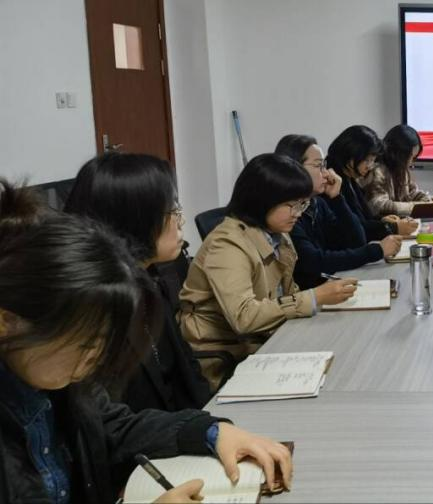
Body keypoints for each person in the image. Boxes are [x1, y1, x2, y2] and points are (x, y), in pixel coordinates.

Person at [0, 180, 292, 503]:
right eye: (85, 343)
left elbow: (116, 426)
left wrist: (213, 432)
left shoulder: (57, 382)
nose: (96, 358)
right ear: (7, 322)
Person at [179, 154, 358, 386]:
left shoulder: (277, 234)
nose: (298, 213)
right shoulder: (227, 244)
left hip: (261, 340)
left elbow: (288, 292)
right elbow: (244, 318)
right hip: (225, 355)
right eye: (291, 205)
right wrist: (314, 297)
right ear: (261, 200)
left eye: (302, 204)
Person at [63, 153, 211, 413]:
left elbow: (187, 368)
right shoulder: (96, 310)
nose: (181, 221)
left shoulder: (149, 279)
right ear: (135, 219)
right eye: (172, 211)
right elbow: (113, 420)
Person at [274, 134, 402, 289]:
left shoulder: (316, 203)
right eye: (318, 166)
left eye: (324, 165)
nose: (326, 173)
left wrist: (337, 198)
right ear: (293, 167)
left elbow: (356, 241)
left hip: (326, 287)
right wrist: (377, 250)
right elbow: (315, 261)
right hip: (309, 295)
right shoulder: (286, 213)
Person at [326, 125, 419, 237]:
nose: (370, 166)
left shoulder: (350, 178)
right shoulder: (333, 182)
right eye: (367, 160)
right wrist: (393, 228)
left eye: (372, 161)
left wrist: (382, 221)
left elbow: (364, 218)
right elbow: (356, 230)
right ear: (350, 154)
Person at [359, 124, 433, 217]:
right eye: (410, 157)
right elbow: (379, 206)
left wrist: (428, 201)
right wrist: (415, 207)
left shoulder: (401, 168)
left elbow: (412, 192)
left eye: (414, 157)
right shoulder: (376, 170)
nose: (411, 162)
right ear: (398, 154)